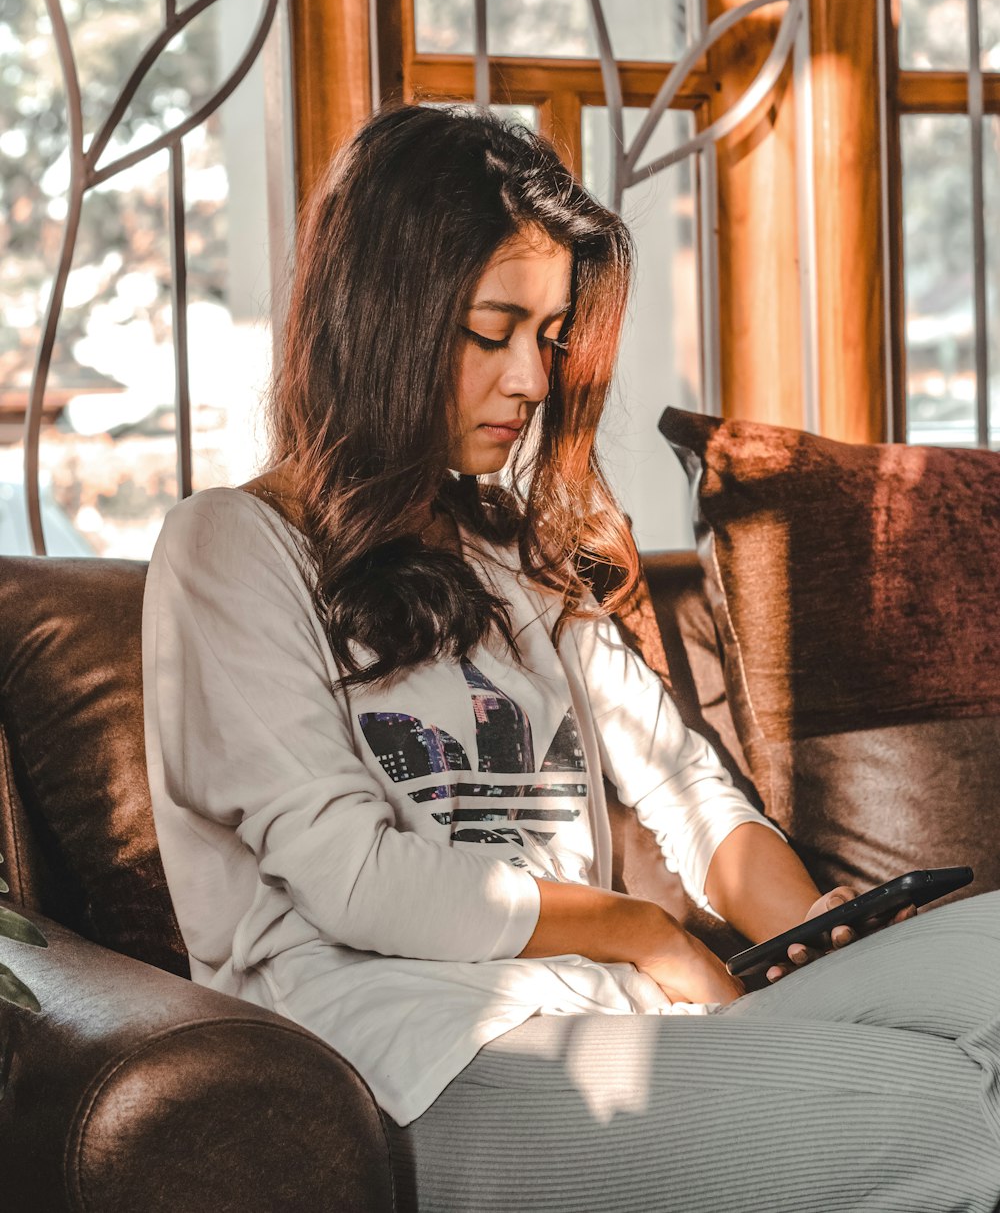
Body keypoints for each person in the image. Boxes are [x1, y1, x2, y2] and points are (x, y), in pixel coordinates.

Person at [142, 104, 1000, 1213]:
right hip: (422, 1061)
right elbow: (355, 880)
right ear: (384, 315)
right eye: (492, 329)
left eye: (547, 336)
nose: (534, 382)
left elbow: (685, 787)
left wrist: (806, 936)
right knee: (943, 1114)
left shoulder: (501, 550)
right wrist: (636, 929)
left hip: (624, 1015)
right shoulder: (229, 547)